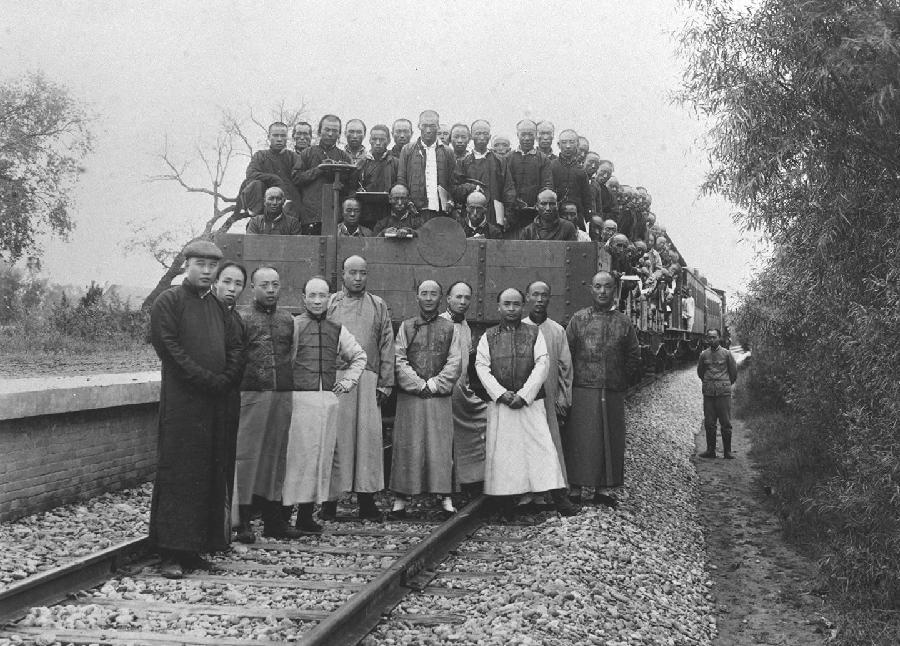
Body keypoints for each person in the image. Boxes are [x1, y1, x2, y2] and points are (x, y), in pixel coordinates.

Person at [149, 240, 245, 579]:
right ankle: (171, 552)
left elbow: (236, 346)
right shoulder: (170, 301)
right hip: (183, 406)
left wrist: (226, 379)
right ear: (186, 265)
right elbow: (169, 348)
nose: (206, 271)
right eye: (200, 264)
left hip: (214, 404)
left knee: (207, 475)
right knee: (179, 474)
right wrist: (206, 378)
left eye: (211, 265)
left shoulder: (217, 307)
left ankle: (196, 549)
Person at [283, 276, 367, 532]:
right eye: (312, 296)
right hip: (298, 401)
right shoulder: (293, 326)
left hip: (326, 402)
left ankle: (307, 516)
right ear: (304, 298)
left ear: (330, 298)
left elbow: (359, 356)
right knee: (296, 459)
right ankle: (283, 517)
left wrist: (348, 382)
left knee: (320, 457)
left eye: (322, 296)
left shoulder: (336, 329)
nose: (317, 301)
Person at [475, 288, 566, 520]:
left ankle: (558, 497)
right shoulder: (488, 336)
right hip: (502, 404)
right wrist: (501, 394)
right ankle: (506, 502)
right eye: (507, 304)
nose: (512, 309)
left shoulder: (534, 333)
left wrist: (524, 395)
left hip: (530, 403)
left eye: (516, 304)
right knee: (504, 453)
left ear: (522, 306)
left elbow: (542, 364)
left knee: (542, 448)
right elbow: (481, 367)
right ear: (498, 306)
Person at [233, 266, 302, 542]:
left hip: (282, 395)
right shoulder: (241, 318)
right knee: (248, 457)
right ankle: (244, 522)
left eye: (275, 284)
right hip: (251, 394)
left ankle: (274, 520)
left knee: (277, 456)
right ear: (253, 288)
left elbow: (292, 354)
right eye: (265, 285)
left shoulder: (288, 320)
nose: (271, 290)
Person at [325, 256, 395, 521]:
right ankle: (330, 501)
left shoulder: (378, 305)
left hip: (367, 380)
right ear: (342, 274)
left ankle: (367, 500)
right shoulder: (330, 303)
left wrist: (386, 382)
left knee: (367, 441)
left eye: (362, 273)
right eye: (352, 273)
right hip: (337, 380)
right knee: (336, 440)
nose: (357, 278)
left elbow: (387, 343)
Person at [564, 271, 641, 509]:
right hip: (582, 388)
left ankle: (604, 488)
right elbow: (566, 355)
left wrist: (621, 380)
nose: (602, 292)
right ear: (591, 289)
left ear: (614, 290)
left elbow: (633, 355)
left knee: (610, 438)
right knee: (579, 438)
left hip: (612, 389)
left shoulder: (624, 322)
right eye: (597, 286)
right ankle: (575, 487)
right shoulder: (578, 319)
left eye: (607, 287)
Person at [389, 279, 462, 519]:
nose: (429, 298)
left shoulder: (450, 328)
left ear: (440, 299)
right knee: (407, 444)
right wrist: (418, 384)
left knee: (440, 445)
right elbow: (398, 358)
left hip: (438, 395)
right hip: (411, 396)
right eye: (424, 293)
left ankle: (445, 495)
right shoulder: (407, 327)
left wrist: (435, 384)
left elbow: (455, 361)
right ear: (417, 297)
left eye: (433, 294)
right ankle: (401, 497)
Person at [522, 281, 576, 515]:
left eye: (544, 295)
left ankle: (552, 493)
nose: (540, 299)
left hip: (549, 399)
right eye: (535, 295)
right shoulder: (518, 328)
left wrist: (564, 400)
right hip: (524, 401)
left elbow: (566, 368)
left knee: (551, 445)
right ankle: (526, 496)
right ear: (527, 298)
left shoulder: (556, 331)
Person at [440, 281, 486, 497]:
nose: (463, 301)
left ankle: (471, 480)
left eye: (467, 298)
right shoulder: (440, 324)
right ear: (448, 299)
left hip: (462, 390)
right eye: (458, 297)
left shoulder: (465, 326)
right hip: (445, 391)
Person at [291, 114, 352, 231]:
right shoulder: (307, 153)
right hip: (310, 215)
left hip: (336, 215)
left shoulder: (344, 157)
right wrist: (319, 169)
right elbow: (296, 178)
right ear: (319, 132)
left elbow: (350, 185)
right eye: (327, 130)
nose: (330, 134)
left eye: (334, 131)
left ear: (339, 134)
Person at [454, 119, 516, 228]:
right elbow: (455, 190)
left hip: (494, 214)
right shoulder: (463, 162)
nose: (482, 137)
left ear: (490, 136)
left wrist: (507, 215)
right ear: (471, 136)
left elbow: (508, 190)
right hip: (470, 216)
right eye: (478, 134)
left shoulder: (500, 161)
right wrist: (470, 188)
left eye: (485, 134)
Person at [397, 110, 457, 218]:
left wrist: (450, 200)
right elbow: (401, 180)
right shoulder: (407, 150)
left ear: (438, 127)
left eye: (432, 126)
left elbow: (453, 183)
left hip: (440, 212)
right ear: (419, 126)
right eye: (424, 126)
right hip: (415, 212)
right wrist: (408, 202)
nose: (428, 130)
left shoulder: (448, 152)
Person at [241, 122, 301, 218]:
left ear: (287, 138)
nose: (279, 139)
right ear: (269, 137)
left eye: (283, 136)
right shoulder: (260, 156)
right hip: (263, 210)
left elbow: (300, 178)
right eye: (275, 135)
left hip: (289, 210)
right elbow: (251, 174)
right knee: (255, 184)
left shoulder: (293, 157)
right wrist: (274, 179)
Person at [507, 119, 553, 236]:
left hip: (536, 212)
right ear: (518, 135)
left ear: (536, 136)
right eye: (523, 134)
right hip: (513, 212)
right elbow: (507, 184)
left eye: (530, 134)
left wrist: (538, 203)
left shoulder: (543, 159)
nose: (527, 138)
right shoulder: (509, 158)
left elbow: (547, 185)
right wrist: (515, 201)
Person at [697, 329, 738, 459]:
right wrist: (709, 383)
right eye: (709, 337)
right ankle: (710, 451)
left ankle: (727, 451)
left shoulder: (727, 354)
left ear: (719, 338)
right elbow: (700, 372)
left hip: (723, 394)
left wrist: (724, 384)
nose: (712, 340)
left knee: (725, 423)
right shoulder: (703, 355)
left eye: (714, 337)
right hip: (709, 394)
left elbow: (733, 374)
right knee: (709, 423)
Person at [550, 129, 595, 228]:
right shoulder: (552, 166)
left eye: (571, 142)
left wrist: (588, 219)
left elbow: (587, 198)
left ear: (577, 144)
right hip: (555, 216)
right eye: (564, 142)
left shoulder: (581, 171)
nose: (568, 146)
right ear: (558, 144)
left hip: (576, 217)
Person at [355, 124, 398, 227]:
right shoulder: (361, 161)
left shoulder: (396, 163)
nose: (378, 143)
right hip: (365, 213)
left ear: (388, 141)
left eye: (382, 139)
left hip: (387, 212)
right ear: (370, 140)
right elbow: (353, 184)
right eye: (374, 139)